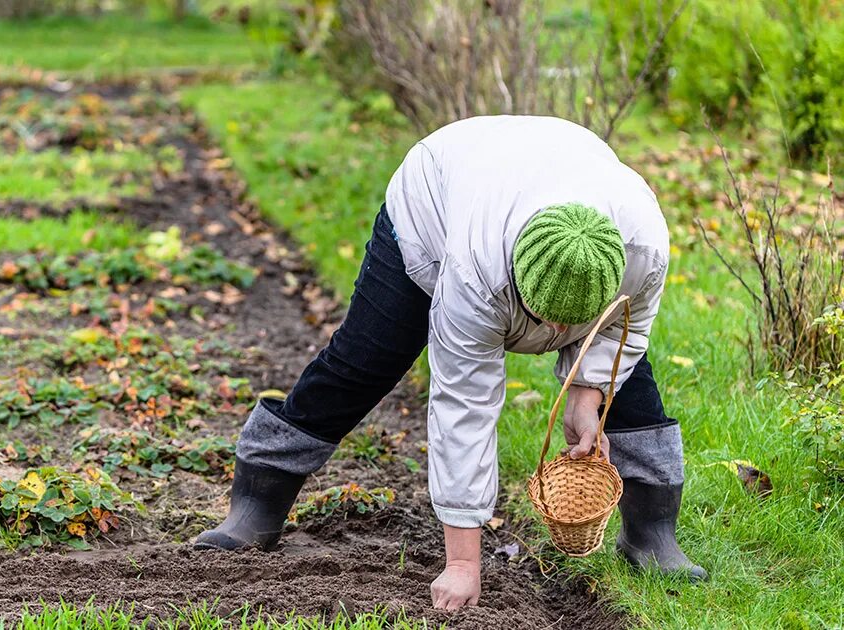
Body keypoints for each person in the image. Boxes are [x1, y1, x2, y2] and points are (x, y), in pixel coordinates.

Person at [193, 115, 708, 609]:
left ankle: (651, 534)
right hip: (437, 200)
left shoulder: (642, 245)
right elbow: (465, 405)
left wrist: (588, 392)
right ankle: (262, 489)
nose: (554, 337)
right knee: (366, 360)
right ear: (515, 280)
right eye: (543, 319)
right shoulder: (473, 267)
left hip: (546, 168)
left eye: (569, 326)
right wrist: (463, 562)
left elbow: (626, 328)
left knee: (630, 381)